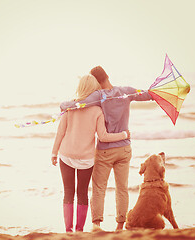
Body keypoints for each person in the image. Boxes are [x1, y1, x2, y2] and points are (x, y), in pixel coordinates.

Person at [60, 66, 153, 231]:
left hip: (105, 150)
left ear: (95, 82)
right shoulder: (127, 91)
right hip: (124, 148)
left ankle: (96, 224)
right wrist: (161, 93)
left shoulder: (98, 96)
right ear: (108, 76)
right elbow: (147, 94)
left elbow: (77, 104)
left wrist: (62, 105)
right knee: (122, 188)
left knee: (99, 188)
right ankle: (119, 226)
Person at [51, 74, 130, 233]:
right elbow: (103, 137)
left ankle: (68, 230)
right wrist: (124, 135)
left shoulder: (70, 107)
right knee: (82, 194)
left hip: (66, 155)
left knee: (68, 193)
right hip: (86, 159)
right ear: (95, 90)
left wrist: (54, 153)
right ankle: (80, 230)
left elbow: (60, 133)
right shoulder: (97, 111)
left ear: (80, 88)